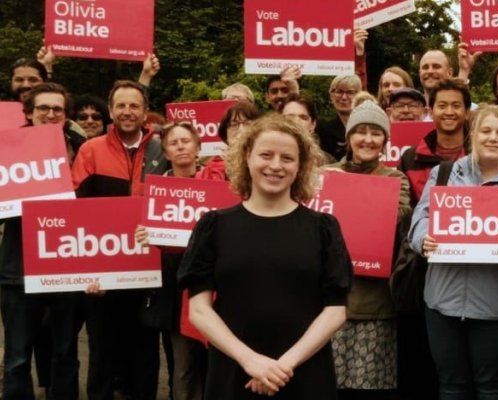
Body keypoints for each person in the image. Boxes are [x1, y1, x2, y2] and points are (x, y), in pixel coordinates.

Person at [178, 114, 353, 399]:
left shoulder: (323, 228)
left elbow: (335, 310)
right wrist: (250, 361)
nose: (275, 166)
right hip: (233, 373)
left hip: (304, 373)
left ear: (301, 165)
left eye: (287, 158)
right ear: (247, 157)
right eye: (266, 155)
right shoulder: (214, 226)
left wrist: (283, 366)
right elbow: (199, 310)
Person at [409, 105, 498, 400]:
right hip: (442, 301)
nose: (493, 138)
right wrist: (423, 238)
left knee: (493, 387)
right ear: (473, 135)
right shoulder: (443, 174)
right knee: (451, 386)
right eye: (486, 130)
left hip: (497, 305)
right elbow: (419, 219)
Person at [72, 80, 168, 400]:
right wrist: (88, 270)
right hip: (103, 271)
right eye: (122, 106)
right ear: (111, 111)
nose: (128, 112)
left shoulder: (162, 150)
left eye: (135, 106)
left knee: (144, 349)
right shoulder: (90, 149)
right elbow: (75, 211)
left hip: (147, 270)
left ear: (145, 113)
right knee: (101, 349)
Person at [320, 100, 412, 400]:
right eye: (361, 132)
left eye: (376, 133)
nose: (368, 140)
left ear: (385, 142)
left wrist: (351, 192)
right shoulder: (324, 175)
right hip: (327, 302)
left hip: (374, 306)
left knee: (369, 391)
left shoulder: (394, 179)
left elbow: (397, 216)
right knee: (327, 387)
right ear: (348, 138)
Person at [0, 82, 87, 400]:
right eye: (43, 109)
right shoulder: (6, 150)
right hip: (18, 268)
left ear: (66, 115)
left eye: (57, 109)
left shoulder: (83, 148)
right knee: (17, 357)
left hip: (67, 264)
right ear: (29, 112)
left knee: (66, 353)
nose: (50, 114)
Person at [152, 122, 207, 400]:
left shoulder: (218, 186)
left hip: (214, 286)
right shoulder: (155, 193)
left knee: (216, 364)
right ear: (165, 151)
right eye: (174, 143)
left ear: (198, 147)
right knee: (183, 365)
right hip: (174, 291)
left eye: (186, 141)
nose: (181, 146)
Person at [399, 78, 471, 203]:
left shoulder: (479, 157)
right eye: (442, 106)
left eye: (456, 106)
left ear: (467, 113)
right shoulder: (410, 159)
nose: (449, 112)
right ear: (431, 112)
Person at [197, 101, 262, 181]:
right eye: (234, 124)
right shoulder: (209, 172)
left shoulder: (266, 163)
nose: (241, 129)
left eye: (247, 124)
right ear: (225, 133)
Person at [317, 75, 363, 161]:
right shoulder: (322, 130)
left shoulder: (368, 126)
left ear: (359, 96)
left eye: (350, 92)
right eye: (339, 92)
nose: (344, 97)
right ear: (331, 96)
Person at [281, 94, 335, 164]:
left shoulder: (327, 161)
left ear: (313, 125)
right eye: (290, 117)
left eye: (303, 118)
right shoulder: (265, 153)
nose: (296, 121)